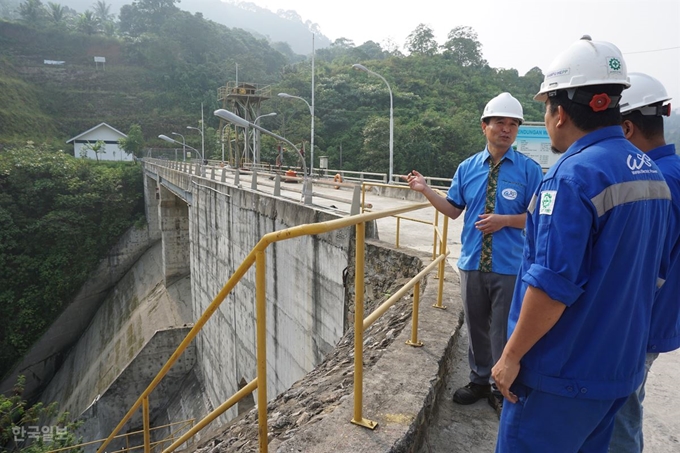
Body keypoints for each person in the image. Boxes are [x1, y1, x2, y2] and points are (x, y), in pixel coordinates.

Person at [491, 36, 672, 453]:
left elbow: (552, 286)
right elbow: (654, 273)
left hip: (559, 377)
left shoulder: (570, 178)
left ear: (558, 112)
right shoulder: (651, 174)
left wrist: (510, 356)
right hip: (616, 373)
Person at [404, 92, 543, 417]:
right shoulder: (467, 168)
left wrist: (505, 221)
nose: (506, 130)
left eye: (513, 124)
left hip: (510, 266)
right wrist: (426, 190)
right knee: (476, 327)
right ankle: (479, 381)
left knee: (502, 330)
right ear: (485, 126)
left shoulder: (529, 171)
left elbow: (538, 218)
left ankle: (500, 386)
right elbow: (453, 210)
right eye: (499, 123)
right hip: (471, 263)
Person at [609, 72, 679, 453]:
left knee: (620, 417)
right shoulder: (673, 172)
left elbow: (646, 268)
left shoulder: (654, 182)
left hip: (638, 324)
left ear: (627, 126)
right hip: (656, 319)